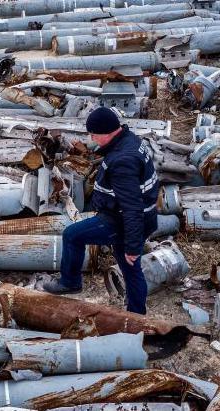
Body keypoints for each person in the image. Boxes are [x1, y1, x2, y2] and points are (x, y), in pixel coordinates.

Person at [43, 107, 159, 314]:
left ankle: (70, 282)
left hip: (121, 222)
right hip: (132, 218)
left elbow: (132, 207)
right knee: (130, 269)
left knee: (72, 235)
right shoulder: (129, 140)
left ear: (108, 132)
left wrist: (133, 246)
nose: (92, 138)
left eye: (94, 134)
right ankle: (136, 313)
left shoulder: (123, 161)